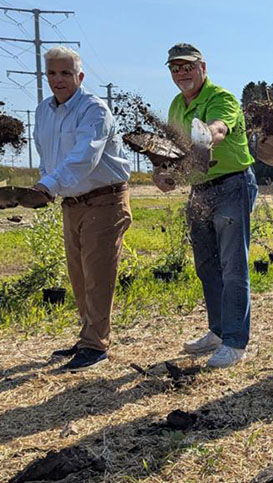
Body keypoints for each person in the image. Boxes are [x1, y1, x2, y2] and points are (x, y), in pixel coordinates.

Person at [155, 43, 257, 368]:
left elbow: (219, 128)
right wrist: (163, 173)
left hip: (231, 185)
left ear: (203, 67)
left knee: (233, 267)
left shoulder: (221, 98)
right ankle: (217, 329)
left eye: (187, 66)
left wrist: (206, 137)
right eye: (175, 68)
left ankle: (235, 342)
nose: (181, 72)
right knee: (207, 266)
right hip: (200, 189)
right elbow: (172, 150)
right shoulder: (175, 105)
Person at [34, 46, 132, 372]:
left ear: (80, 76)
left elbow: (84, 158)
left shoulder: (94, 111)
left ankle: (96, 345)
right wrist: (43, 185)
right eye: (52, 73)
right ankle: (87, 336)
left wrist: (48, 185)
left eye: (65, 73)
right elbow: (49, 156)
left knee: (97, 274)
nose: (58, 80)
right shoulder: (44, 111)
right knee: (78, 275)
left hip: (105, 199)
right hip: (72, 202)